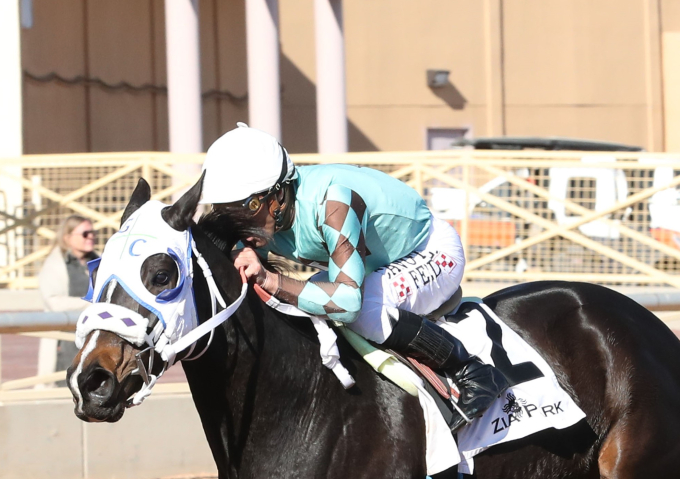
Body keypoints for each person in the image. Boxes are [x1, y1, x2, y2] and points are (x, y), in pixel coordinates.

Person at [198, 123, 509, 423]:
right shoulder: (265, 213)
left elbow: (347, 303)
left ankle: (471, 369)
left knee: (363, 311)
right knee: (299, 310)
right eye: (229, 212)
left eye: (248, 207)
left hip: (431, 251)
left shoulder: (333, 202)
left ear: (279, 194)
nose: (240, 224)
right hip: (373, 266)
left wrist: (270, 279)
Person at [39, 214, 99, 375]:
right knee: (66, 387)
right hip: (67, 341)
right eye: (85, 234)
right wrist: (91, 303)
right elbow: (54, 302)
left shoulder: (99, 261)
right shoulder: (55, 264)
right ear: (67, 237)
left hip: (97, 339)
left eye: (93, 233)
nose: (91, 237)